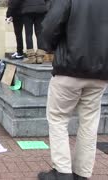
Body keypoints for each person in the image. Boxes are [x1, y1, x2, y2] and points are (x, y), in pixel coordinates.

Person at [38, 0, 108, 180]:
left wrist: (50, 46)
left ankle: (62, 172)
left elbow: (50, 26)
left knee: (58, 118)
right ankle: (82, 173)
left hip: (69, 67)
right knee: (89, 123)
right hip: (101, 72)